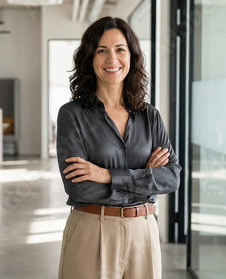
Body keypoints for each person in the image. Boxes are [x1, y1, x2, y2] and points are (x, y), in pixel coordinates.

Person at [56, 16, 181, 279]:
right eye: (102, 50)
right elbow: (80, 186)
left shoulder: (150, 116)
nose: (112, 59)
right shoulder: (72, 115)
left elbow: (171, 177)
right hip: (93, 230)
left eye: (120, 49)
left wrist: (107, 175)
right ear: (90, 59)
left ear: (132, 57)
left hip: (144, 232)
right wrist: (145, 177)